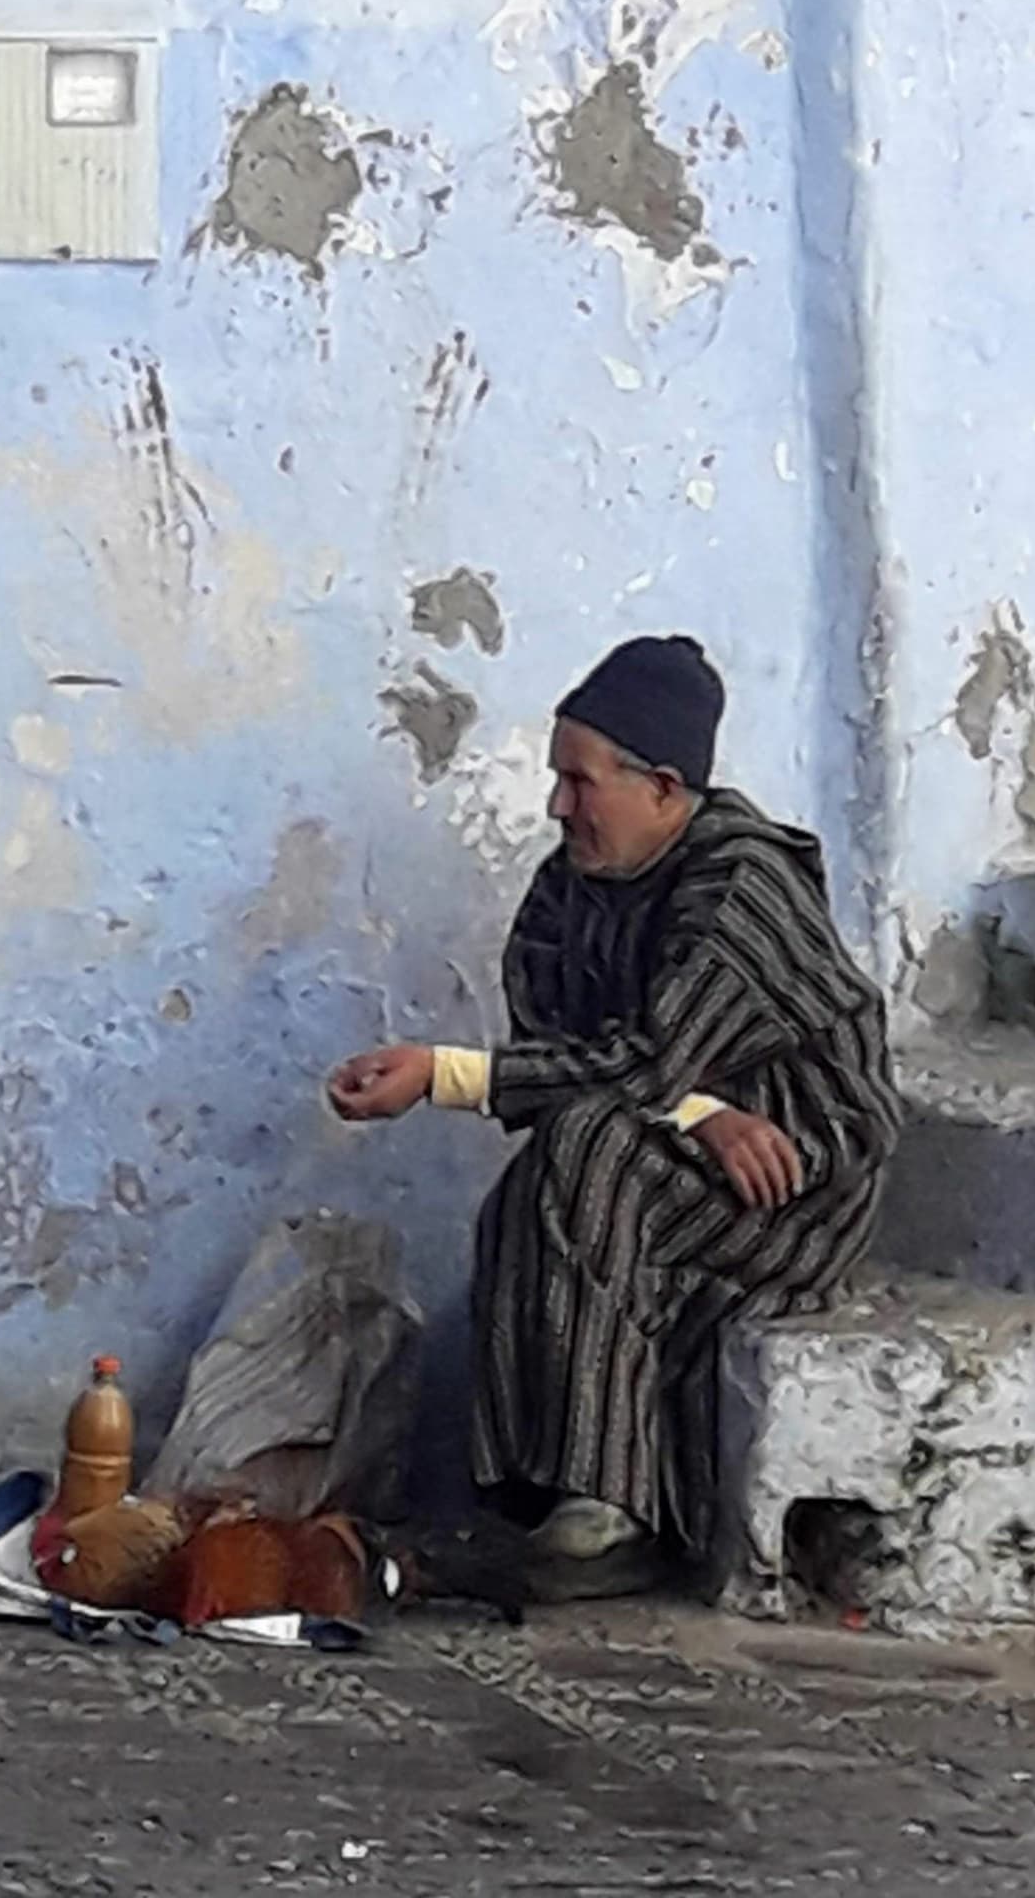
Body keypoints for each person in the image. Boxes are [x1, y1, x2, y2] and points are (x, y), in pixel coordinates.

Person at [327, 635, 899, 1567]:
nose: (559, 805)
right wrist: (703, 1116)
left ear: (664, 790)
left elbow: (645, 1065)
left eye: (579, 782)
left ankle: (609, 1512)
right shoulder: (573, 885)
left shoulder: (742, 887)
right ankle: (524, 1497)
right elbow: (572, 1045)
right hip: (688, 1143)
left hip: (801, 1180)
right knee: (530, 1191)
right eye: (559, 779)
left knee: (591, 1160)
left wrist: (445, 1075)